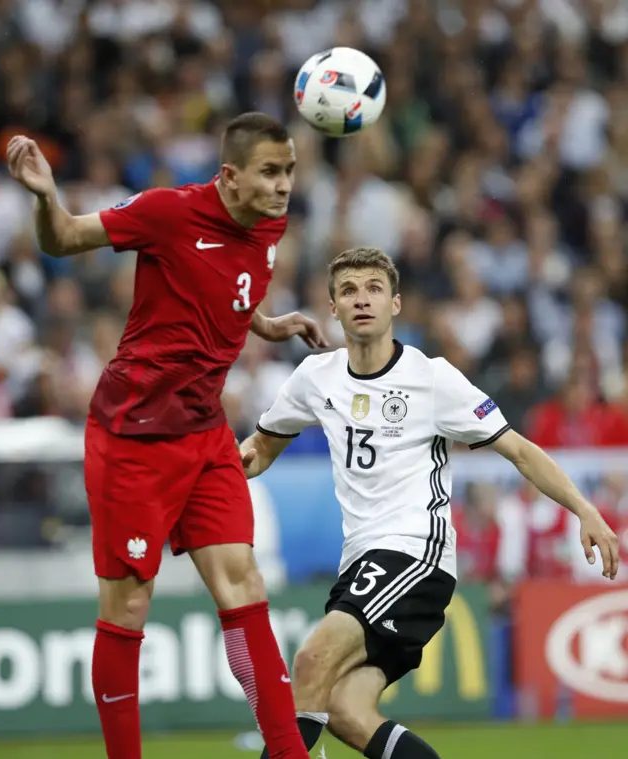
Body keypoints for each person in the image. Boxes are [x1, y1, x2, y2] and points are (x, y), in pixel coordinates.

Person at [7, 113, 327, 759]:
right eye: (270, 171)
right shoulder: (166, 212)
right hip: (134, 433)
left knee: (245, 585)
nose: (283, 184)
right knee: (129, 606)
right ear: (230, 175)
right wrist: (46, 198)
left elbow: (230, 291)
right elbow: (64, 239)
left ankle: (289, 753)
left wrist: (268, 324)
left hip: (205, 428)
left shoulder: (268, 223)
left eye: (289, 170)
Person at [240, 246, 619, 759]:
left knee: (309, 661)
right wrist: (209, 469)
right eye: (348, 291)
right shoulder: (315, 378)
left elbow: (520, 451)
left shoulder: (432, 378)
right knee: (347, 711)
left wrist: (585, 509)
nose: (362, 300)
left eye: (374, 288)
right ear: (332, 308)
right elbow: (259, 451)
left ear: (396, 304)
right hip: (361, 565)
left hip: (415, 554)